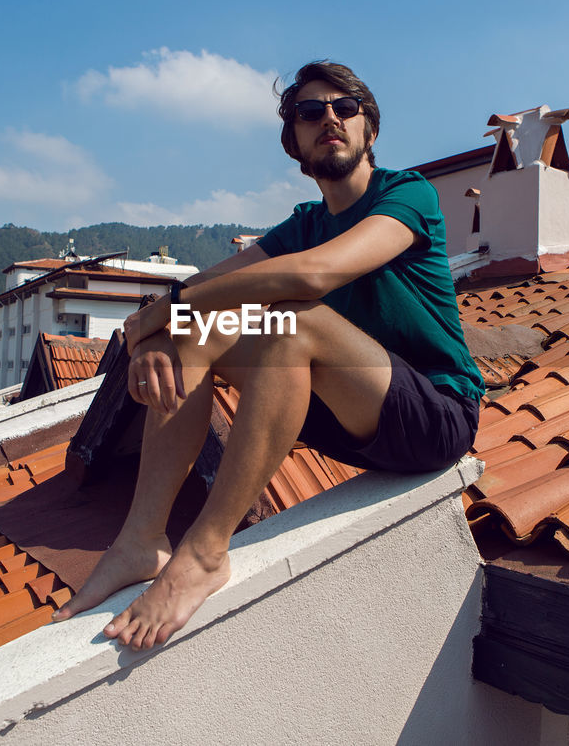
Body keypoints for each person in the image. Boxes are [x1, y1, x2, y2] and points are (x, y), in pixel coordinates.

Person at [51, 61, 484, 650]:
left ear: (370, 130)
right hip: (352, 414)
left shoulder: (407, 194)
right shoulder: (304, 223)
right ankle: (141, 537)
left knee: (292, 320)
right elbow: (206, 290)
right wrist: (154, 332)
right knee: (202, 332)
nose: (328, 118)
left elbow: (314, 274)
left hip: (436, 416)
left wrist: (164, 310)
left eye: (344, 107)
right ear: (296, 145)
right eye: (310, 112)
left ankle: (205, 550)